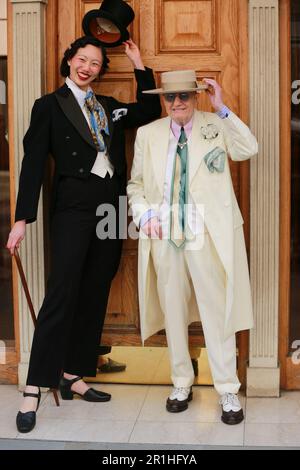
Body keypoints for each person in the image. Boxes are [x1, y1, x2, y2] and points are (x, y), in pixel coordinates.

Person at [7, 35, 161, 433]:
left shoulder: (109, 108)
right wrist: (22, 218)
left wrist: (139, 63)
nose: (87, 67)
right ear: (69, 61)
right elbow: (33, 163)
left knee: (95, 289)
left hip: (112, 207)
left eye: (95, 63)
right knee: (62, 292)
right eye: (82, 59)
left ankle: (74, 373)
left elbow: (147, 109)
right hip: (73, 209)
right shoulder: (49, 107)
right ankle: (34, 386)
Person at [127, 70, 258, 425]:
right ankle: (181, 382)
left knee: (216, 310)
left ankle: (227, 388)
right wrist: (145, 215)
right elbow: (136, 184)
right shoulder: (148, 134)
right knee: (173, 311)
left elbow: (248, 148)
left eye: (185, 95)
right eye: (170, 97)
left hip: (207, 235)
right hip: (165, 235)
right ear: (163, 100)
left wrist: (223, 108)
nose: (177, 102)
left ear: (197, 97)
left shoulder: (215, 124)